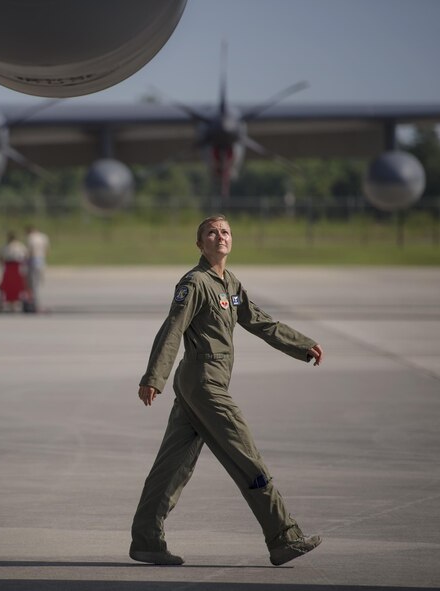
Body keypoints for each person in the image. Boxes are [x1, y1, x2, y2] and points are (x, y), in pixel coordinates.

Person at [130, 214, 324, 567]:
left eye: (225, 232)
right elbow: (172, 329)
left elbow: (261, 321)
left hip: (204, 384)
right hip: (204, 384)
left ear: (231, 240)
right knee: (246, 454)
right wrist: (153, 377)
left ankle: (146, 540)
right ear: (200, 243)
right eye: (211, 233)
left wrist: (302, 345)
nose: (219, 237)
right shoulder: (195, 282)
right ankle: (284, 536)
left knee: (173, 465)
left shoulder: (230, 284)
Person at [0, 231, 28, 312]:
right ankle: (12, 304)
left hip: (13, 267)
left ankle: (14, 303)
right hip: (12, 267)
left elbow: (1, 257)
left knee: (14, 286)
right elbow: (25, 255)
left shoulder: (10, 246)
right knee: (11, 286)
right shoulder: (17, 246)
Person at [25, 224, 50, 310]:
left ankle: (35, 303)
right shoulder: (44, 237)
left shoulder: (31, 238)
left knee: (33, 284)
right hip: (41, 260)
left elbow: (29, 251)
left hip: (33, 260)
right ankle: (38, 302)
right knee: (39, 282)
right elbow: (47, 250)